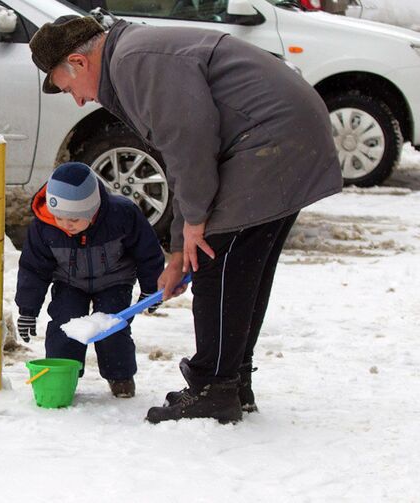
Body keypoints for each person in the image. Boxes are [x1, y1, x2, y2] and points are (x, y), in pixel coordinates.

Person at [28, 15, 342, 423]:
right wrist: (177, 251)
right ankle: (232, 378)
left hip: (270, 137)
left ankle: (214, 387)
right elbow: (179, 161)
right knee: (242, 265)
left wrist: (194, 223)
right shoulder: (132, 57)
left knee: (218, 260)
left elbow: (190, 142)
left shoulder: (133, 61)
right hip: (283, 134)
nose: (79, 100)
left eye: (69, 87)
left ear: (79, 61)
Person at [15, 161, 164, 398]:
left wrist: (151, 290)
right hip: (69, 282)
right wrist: (27, 310)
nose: (65, 225)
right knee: (65, 326)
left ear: (92, 210)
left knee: (113, 327)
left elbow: (148, 252)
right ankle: (64, 378)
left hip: (115, 280)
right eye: (59, 218)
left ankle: (120, 377)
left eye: (73, 219)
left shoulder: (122, 214)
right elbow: (33, 269)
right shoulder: (45, 227)